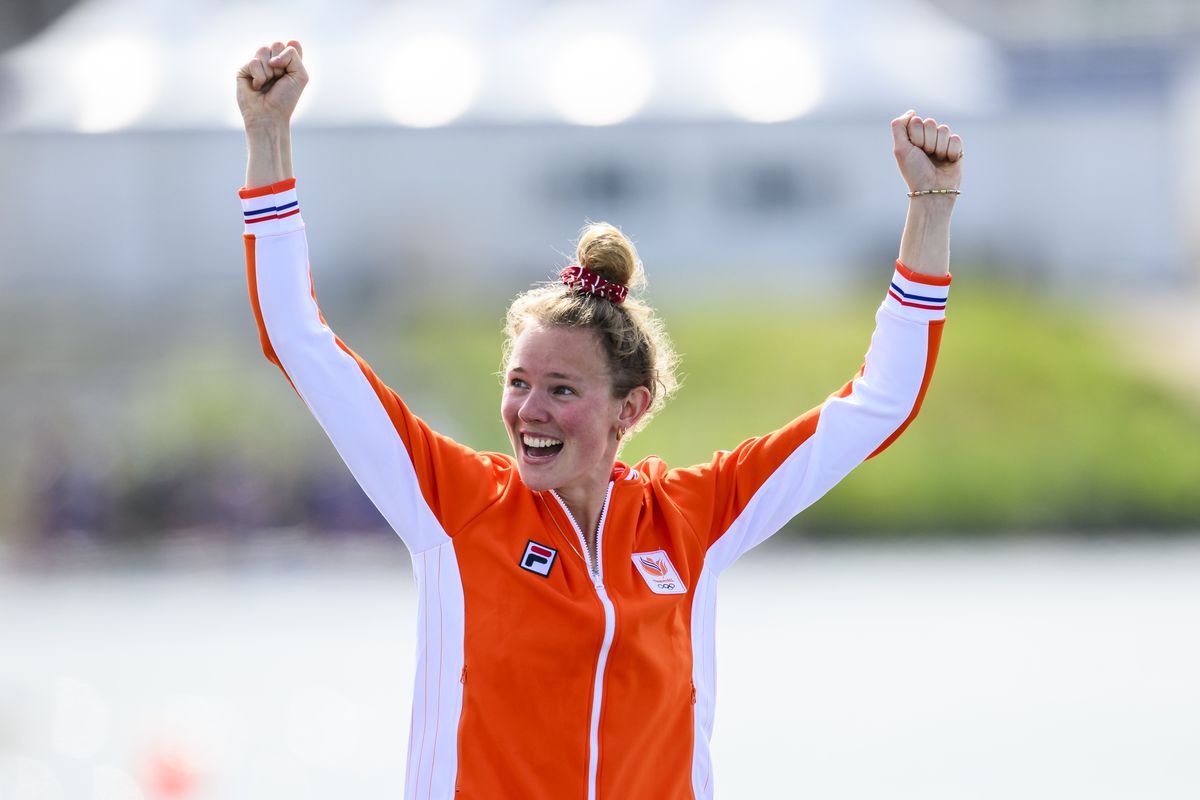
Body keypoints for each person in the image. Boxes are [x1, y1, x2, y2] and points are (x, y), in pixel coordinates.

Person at [236, 40, 962, 800]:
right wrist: (267, 136)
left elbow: (880, 403)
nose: (528, 411)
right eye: (518, 383)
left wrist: (930, 207)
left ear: (631, 408)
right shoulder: (453, 504)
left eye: (560, 389)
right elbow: (297, 337)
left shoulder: (692, 519)